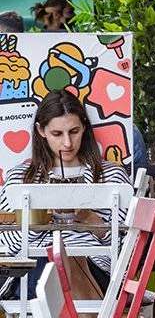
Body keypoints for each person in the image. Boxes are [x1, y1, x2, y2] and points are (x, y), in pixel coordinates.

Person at [0, 90, 131, 298]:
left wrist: (93, 222)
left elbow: (127, 250)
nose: (67, 143)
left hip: (94, 268)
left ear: (84, 127)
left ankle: (66, 314)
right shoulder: (21, 178)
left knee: (66, 259)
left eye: (74, 131)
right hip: (36, 266)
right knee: (53, 260)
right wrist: (40, 218)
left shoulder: (112, 176)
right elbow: (8, 246)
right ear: (41, 131)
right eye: (57, 134)